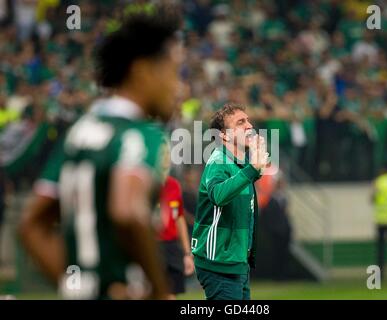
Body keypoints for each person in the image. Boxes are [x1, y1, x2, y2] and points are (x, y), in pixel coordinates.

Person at [19, 7, 183, 300]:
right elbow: (127, 212)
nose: (178, 86)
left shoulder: (80, 133)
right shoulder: (141, 134)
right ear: (143, 71)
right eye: (173, 71)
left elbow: (31, 225)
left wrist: (76, 288)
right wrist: (159, 291)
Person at [191, 103, 269, 300]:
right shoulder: (218, 161)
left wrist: (254, 169)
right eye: (240, 122)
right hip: (219, 264)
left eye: (248, 120)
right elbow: (218, 195)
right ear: (224, 135)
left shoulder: (239, 164)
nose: (249, 126)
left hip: (237, 262)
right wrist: (252, 169)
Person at [155, 147, 195, 299]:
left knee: (171, 295)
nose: (165, 159)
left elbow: (179, 218)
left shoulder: (174, 185)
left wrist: (186, 253)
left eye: (167, 155)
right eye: (161, 154)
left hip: (171, 247)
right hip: (151, 246)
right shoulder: (144, 182)